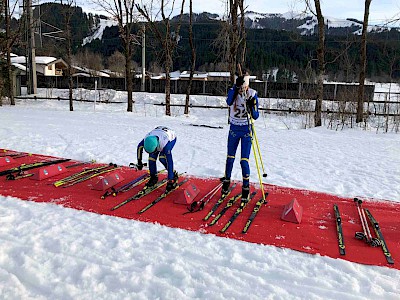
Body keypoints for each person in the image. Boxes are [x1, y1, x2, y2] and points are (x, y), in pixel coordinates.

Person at [222, 73, 259, 200]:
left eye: (244, 87)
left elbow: (256, 116)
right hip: (234, 128)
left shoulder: (252, 94)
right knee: (230, 158)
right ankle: (226, 183)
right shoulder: (234, 92)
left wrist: (251, 106)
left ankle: (246, 188)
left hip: (246, 129)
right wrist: (235, 86)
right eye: (241, 87)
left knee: (244, 161)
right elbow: (228, 101)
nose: (242, 90)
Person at [137, 126, 178, 192]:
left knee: (162, 158)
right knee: (151, 159)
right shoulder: (146, 139)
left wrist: (170, 179)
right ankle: (153, 177)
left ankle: (173, 174)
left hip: (170, 138)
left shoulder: (165, 145)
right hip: (156, 135)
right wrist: (139, 161)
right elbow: (139, 147)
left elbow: (170, 162)